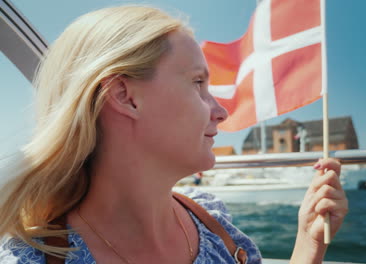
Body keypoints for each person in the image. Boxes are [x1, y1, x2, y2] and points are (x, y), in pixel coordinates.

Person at [0, 5, 348, 264]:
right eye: (198, 82)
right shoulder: (30, 258)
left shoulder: (213, 223)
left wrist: (308, 244)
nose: (221, 111)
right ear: (125, 97)